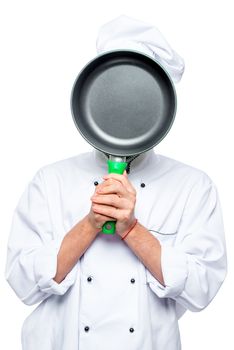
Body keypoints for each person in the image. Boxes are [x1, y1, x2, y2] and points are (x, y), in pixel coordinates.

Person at [5, 15, 227, 350]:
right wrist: (91, 223)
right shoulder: (50, 181)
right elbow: (22, 284)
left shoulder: (193, 187)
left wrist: (131, 229)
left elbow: (201, 290)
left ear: (158, 105)